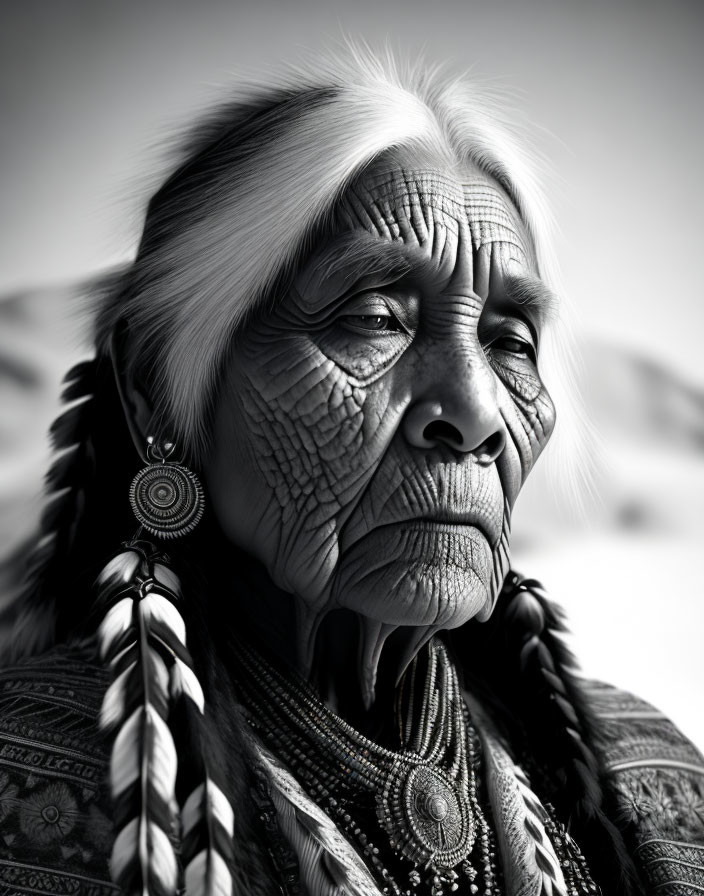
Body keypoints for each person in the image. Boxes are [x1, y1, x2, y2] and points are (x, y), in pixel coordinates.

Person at [0, 49, 701, 896]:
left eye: (511, 340)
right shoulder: (33, 778)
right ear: (155, 393)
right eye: (374, 318)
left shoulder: (650, 774)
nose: (476, 411)